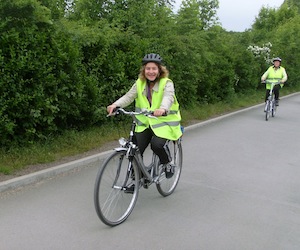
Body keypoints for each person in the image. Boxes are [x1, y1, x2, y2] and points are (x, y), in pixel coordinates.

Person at [107, 53, 182, 179]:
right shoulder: (140, 83)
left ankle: (167, 163)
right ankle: (137, 179)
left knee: (157, 145)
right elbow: (129, 96)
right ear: (144, 70)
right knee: (135, 149)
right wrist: (115, 105)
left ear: (159, 70)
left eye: (154, 68)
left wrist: (163, 109)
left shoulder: (167, 83)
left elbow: (168, 97)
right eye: (148, 68)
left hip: (164, 122)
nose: (151, 71)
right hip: (144, 123)